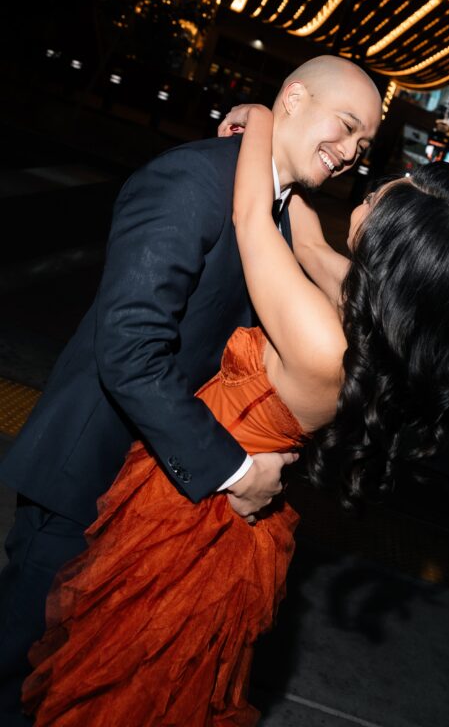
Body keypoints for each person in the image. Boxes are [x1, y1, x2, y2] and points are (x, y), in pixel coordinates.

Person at [19, 102, 449, 724]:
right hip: (214, 487)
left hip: (190, 511)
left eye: (382, 198)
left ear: (391, 240)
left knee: (110, 681)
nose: (369, 188)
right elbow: (306, 238)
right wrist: (295, 155)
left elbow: (252, 217)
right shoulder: (374, 308)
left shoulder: (321, 336)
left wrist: (265, 118)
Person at [0, 56, 382, 726]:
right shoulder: (192, 179)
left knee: (64, 686)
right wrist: (234, 470)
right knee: (18, 663)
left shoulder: (279, 213)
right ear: (294, 98)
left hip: (152, 496)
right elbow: (130, 350)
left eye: (364, 144)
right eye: (347, 125)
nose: (351, 152)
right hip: (87, 478)